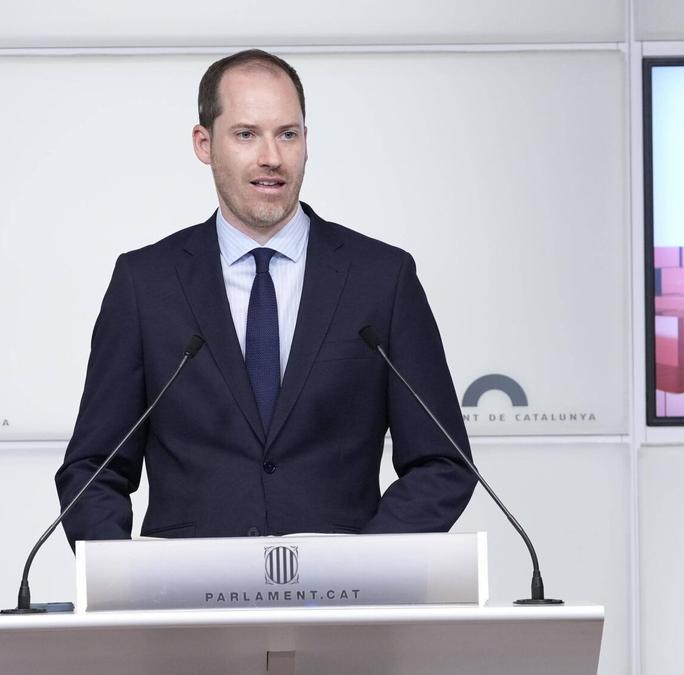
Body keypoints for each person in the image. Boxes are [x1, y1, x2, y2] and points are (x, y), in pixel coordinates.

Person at [56, 49, 476, 544]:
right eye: (246, 134)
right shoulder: (145, 283)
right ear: (204, 143)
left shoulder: (382, 278)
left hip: (344, 604)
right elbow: (94, 467)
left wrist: (369, 565)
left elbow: (443, 461)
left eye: (287, 134)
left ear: (306, 142)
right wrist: (124, 586)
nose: (271, 157)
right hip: (186, 604)